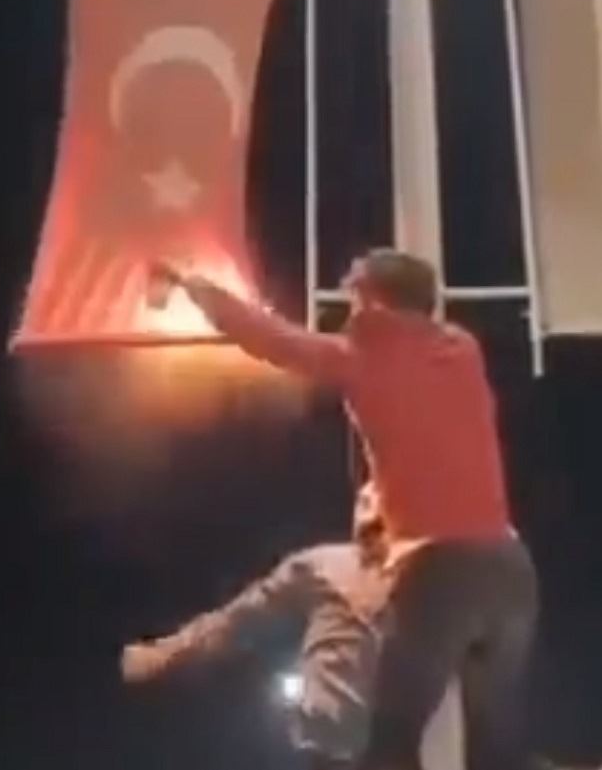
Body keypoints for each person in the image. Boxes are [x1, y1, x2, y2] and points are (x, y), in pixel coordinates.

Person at [154, 248, 539, 770]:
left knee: (389, 748)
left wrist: (194, 285)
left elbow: (271, 339)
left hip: (442, 575)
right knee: (496, 754)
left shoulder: (358, 357)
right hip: (511, 573)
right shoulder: (463, 349)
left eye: (354, 295)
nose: (347, 306)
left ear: (372, 299)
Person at [120, 484, 463, 770]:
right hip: (334, 754)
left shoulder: (439, 582)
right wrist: (164, 652)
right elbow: (239, 619)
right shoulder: (324, 567)